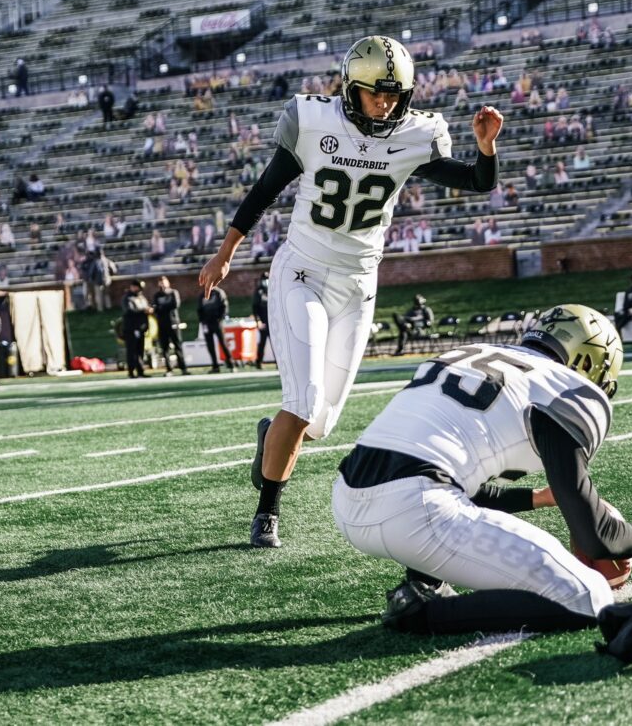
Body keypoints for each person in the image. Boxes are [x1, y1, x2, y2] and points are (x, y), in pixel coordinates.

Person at [197, 35, 502, 548]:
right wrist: (226, 251)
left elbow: (477, 182)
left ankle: (271, 437)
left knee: (318, 423)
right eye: (374, 94)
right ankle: (267, 509)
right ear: (348, 88)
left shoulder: (416, 133)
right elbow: (264, 190)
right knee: (304, 399)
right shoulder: (315, 122)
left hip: (359, 284)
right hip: (303, 273)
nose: (384, 103)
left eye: (393, 95)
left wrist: (487, 146)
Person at [332, 304, 632, 634]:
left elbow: (446, 472)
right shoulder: (563, 387)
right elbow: (598, 538)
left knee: (446, 481)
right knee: (590, 596)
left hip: (348, 498)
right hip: (414, 512)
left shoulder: (472, 354)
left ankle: (425, 581)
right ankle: (417, 613)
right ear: (589, 359)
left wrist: (537, 499)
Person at [152, 276, 188, 376]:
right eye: (161, 282)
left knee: (178, 346)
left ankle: (183, 368)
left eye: (164, 282)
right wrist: (157, 308)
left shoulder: (173, 293)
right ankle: (169, 369)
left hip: (173, 323)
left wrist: (161, 307)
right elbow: (155, 308)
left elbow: (175, 305)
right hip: (162, 324)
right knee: (165, 348)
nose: (162, 284)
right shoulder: (157, 295)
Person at [198, 285, 235, 373]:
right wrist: (202, 321)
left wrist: (220, 318)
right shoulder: (203, 294)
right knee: (210, 345)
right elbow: (199, 309)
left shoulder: (218, 293)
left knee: (223, 343)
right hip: (207, 323)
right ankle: (215, 366)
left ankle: (231, 364)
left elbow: (224, 306)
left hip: (217, 322)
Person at [121, 279, 151, 378]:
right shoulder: (127, 298)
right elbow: (129, 311)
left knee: (140, 350)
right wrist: (144, 310)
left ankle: (140, 370)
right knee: (132, 351)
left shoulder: (141, 298)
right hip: (131, 328)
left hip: (141, 327)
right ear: (133, 287)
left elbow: (146, 308)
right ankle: (131, 371)